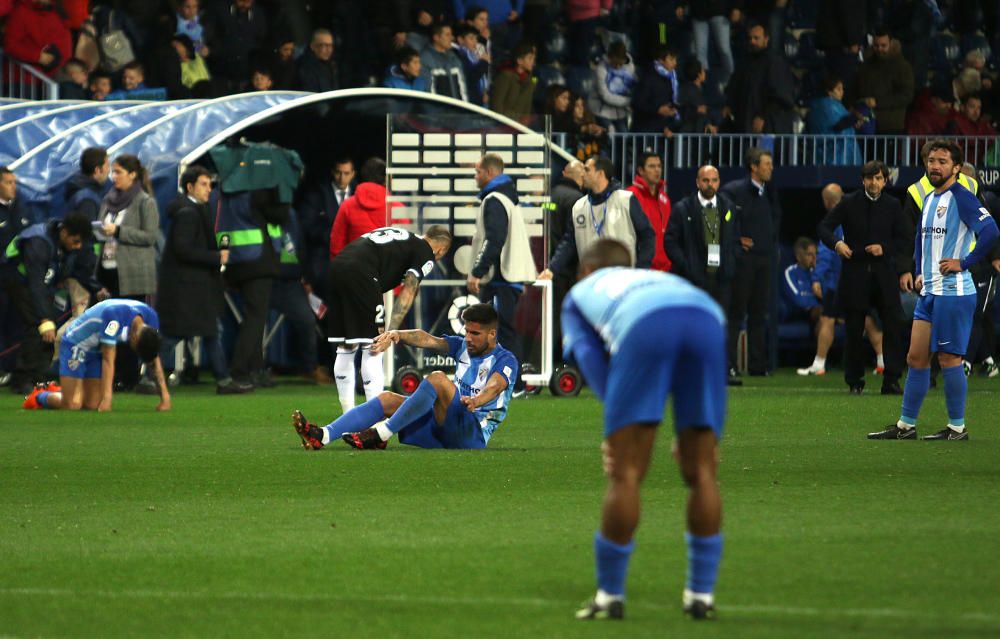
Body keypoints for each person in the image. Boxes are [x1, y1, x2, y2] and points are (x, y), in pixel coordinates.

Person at [563, 239, 725, 622]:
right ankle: (700, 596)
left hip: (645, 324)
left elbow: (589, 357)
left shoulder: (579, 293)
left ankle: (609, 596)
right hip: (708, 317)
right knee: (702, 469)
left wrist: (616, 425)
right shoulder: (652, 277)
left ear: (586, 270)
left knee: (627, 472)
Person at [868, 140, 998, 441]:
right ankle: (906, 425)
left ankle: (957, 427)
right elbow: (919, 238)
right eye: (931, 160)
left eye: (942, 161)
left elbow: (991, 231)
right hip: (930, 292)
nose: (934, 166)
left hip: (953, 292)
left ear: (955, 167)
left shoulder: (963, 197)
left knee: (949, 359)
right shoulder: (928, 198)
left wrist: (964, 261)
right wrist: (918, 270)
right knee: (915, 358)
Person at [293, 302, 517, 450]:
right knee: (388, 399)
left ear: (492, 334)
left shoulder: (505, 360)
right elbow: (427, 339)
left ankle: (381, 433)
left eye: (475, 333)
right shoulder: (462, 347)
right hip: (443, 429)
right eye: (466, 331)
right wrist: (396, 335)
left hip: (471, 434)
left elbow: (495, 386)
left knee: (438, 378)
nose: (468, 338)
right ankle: (322, 436)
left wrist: (476, 401)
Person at [327, 225, 452, 413]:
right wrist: (391, 332)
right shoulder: (426, 253)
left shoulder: (403, 237)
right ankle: (374, 418)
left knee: (346, 347)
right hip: (363, 274)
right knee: (375, 347)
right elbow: (409, 289)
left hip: (337, 268)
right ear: (441, 250)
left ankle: (348, 415)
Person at [154, 166, 250, 395]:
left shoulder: (193, 209)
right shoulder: (188, 213)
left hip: (193, 286)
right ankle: (149, 376)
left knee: (208, 331)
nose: (209, 189)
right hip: (188, 287)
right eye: (204, 184)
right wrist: (216, 257)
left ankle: (223, 379)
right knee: (176, 334)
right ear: (190, 187)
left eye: (210, 184)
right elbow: (183, 250)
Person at [818, 161, 907, 395]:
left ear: (885, 181)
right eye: (870, 178)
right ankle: (854, 381)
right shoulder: (849, 203)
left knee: (893, 326)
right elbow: (824, 228)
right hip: (855, 273)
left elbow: (905, 240)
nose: (874, 183)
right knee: (854, 330)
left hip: (884, 274)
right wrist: (837, 244)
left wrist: (884, 249)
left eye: (878, 178)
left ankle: (891, 380)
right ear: (863, 180)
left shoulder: (893, 205)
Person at [663, 164, 742, 385]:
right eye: (705, 180)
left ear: (719, 182)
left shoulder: (728, 207)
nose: (710, 185)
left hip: (721, 277)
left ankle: (722, 369)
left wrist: (732, 260)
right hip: (693, 278)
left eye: (714, 180)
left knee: (720, 323)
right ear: (697, 182)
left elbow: (736, 238)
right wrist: (686, 265)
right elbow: (670, 241)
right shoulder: (683, 208)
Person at [798, 184, 884, 377]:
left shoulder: (835, 219)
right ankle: (882, 360)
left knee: (827, 319)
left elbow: (826, 252)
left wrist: (817, 278)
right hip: (863, 277)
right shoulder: (861, 213)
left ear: (827, 202)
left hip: (837, 281)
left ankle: (819, 364)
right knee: (868, 319)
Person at [22, 299, 170, 412]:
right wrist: (107, 399)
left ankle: (63, 390)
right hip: (76, 344)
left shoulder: (151, 319)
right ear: (135, 338)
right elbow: (108, 359)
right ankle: (39, 396)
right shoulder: (114, 318)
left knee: (91, 404)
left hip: (95, 349)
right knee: (73, 405)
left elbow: (153, 357)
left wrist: (165, 397)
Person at [1, 213, 90, 395]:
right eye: (76, 241)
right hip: (15, 279)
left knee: (50, 327)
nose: (78, 247)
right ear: (64, 232)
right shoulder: (38, 242)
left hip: (39, 284)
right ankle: (22, 380)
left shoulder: (63, 243)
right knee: (38, 325)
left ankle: (37, 377)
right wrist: (44, 318)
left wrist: (97, 288)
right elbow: (36, 284)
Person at [95, 154, 160, 391]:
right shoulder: (108, 200)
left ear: (133, 175)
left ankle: (131, 375)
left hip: (132, 275)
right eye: (112, 171)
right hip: (108, 271)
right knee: (111, 326)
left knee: (130, 328)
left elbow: (150, 237)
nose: (114, 176)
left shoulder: (145, 201)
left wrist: (119, 231)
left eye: (119, 172)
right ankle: (113, 375)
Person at [467, 153, 538, 364]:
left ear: (489, 173)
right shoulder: (507, 198)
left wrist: (477, 271)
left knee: (500, 331)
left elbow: (494, 239)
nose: (475, 177)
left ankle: (512, 383)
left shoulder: (494, 200)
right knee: (500, 330)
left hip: (500, 277)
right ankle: (507, 381)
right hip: (507, 276)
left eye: (478, 172)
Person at [541, 156, 654, 279]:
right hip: (591, 281)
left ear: (600, 174)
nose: (582, 174)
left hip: (623, 279)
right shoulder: (579, 207)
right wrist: (552, 269)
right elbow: (569, 243)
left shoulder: (625, 200)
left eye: (587, 170)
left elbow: (647, 236)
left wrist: (640, 270)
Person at [721, 147, 781, 376]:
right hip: (743, 261)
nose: (770, 168)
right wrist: (736, 240)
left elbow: (776, 219)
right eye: (766, 164)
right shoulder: (734, 191)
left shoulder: (770, 191)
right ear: (754, 166)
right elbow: (725, 218)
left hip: (764, 260)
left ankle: (757, 365)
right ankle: (730, 365)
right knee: (736, 313)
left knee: (759, 313)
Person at [723, 22, 796, 134]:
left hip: (770, 127)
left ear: (766, 39)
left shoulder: (775, 62)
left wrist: (763, 117)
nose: (752, 41)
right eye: (750, 38)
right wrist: (729, 105)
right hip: (745, 125)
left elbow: (781, 96)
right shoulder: (744, 63)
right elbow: (734, 87)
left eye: (756, 38)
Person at [297, 158, 355, 296]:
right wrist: (334, 236)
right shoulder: (316, 195)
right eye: (338, 173)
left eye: (346, 173)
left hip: (354, 263)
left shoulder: (360, 195)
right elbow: (306, 227)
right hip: (323, 263)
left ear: (353, 174)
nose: (342, 178)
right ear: (332, 172)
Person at [852, 30, 915, 135]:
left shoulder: (902, 66)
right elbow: (857, 89)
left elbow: (906, 95)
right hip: (866, 125)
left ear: (891, 44)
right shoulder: (865, 66)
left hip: (890, 127)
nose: (879, 49)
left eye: (883, 45)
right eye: (876, 45)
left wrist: (877, 102)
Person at [329, 158, 392, 259]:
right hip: (387, 272)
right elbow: (405, 248)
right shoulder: (397, 208)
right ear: (386, 179)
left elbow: (336, 247)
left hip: (353, 271)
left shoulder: (347, 206)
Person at [625, 152, 671, 272]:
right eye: (651, 166)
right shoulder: (629, 195)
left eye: (659, 166)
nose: (657, 170)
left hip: (665, 268)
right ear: (641, 170)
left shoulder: (664, 198)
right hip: (641, 267)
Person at [806, 76, 863, 166]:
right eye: (838, 89)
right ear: (829, 91)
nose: (842, 92)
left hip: (824, 151)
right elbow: (838, 125)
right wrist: (854, 118)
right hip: (837, 152)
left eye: (842, 89)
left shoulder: (816, 105)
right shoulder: (829, 105)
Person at [631, 45, 680, 136]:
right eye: (671, 59)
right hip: (646, 132)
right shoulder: (648, 77)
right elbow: (637, 103)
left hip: (663, 130)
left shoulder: (672, 79)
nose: (675, 63)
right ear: (661, 60)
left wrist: (671, 111)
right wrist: (657, 109)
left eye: (675, 60)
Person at [592, 41, 636, 135]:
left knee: (624, 137)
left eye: (620, 64)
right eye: (615, 63)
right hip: (602, 111)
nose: (618, 66)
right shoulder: (601, 69)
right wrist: (628, 101)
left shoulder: (630, 68)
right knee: (610, 134)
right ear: (609, 58)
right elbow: (605, 95)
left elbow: (631, 87)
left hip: (621, 113)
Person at [420, 22, 467, 101]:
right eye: (447, 35)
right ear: (436, 37)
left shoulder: (454, 57)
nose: (451, 38)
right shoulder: (425, 59)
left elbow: (462, 87)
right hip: (439, 112)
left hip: (458, 110)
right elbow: (428, 90)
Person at [490, 40, 536, 121]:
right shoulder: (505, 77)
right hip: (503, 127)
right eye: (530, 58)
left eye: (534, 59)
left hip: (520, 128)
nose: (533, 62)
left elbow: (527, 108)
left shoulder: (530, 81)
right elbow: (497, 106)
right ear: (519, 61)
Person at [781, 237, 822, 325]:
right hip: (797, 312)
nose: (814, 258)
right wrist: (816, 302)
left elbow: (827, 295)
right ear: (799, 257)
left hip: (817, 312)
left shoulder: (818, 272)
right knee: (823, 313)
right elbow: (798, 300)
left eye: (816, 254)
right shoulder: (790, 272)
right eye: (810, 254)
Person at [452, 24, 489, 106]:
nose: (475, 42)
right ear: (460, 40)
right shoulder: (459, 56)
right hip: (470, 100)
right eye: (471, 38)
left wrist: (486, 91)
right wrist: (484, 62)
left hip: (481, 98)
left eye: (476, 38)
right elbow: (471, 77)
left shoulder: (473, 55)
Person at [297, 28, 339, 93]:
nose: (328, 50)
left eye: (330, 45)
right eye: (324, 45)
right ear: (313, 46)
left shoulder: (333, 64)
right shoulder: (304, 67)